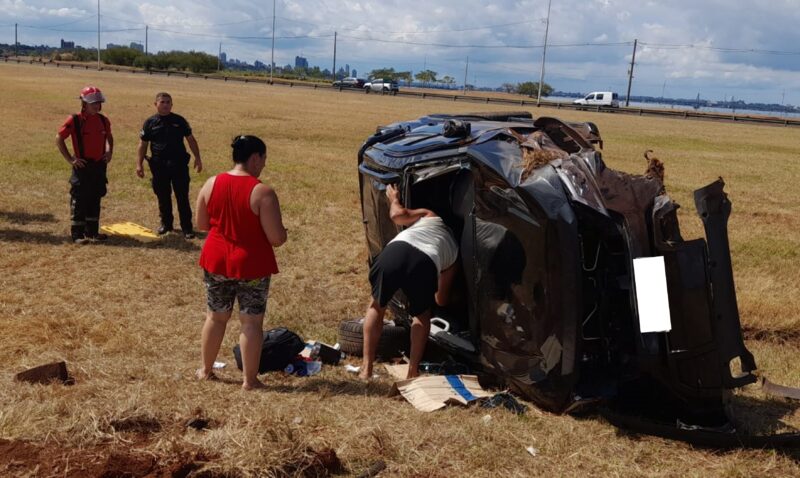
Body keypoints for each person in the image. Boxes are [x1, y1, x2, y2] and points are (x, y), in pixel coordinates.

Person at [195, 135, 287, 390]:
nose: (264, 165)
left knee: (215, 316)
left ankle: (206, 370)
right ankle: (250, 380)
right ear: (255, 158)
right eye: (264, 159)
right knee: (251, 322)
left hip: (216, 260)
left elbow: (202, 224)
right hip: (251, 265)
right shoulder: (262, 192)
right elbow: (276, 238)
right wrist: (284, 232)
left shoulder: (211, 183)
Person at [360, 184, 458, 380]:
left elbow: (398, 215)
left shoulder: (430, 216)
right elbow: (441, 299)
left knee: (376, 306)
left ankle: (366, 369)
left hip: (396, 251)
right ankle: (412, 371)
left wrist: (394, 199)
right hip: (426, 263)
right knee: (421, 316)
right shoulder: (454, 252)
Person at [136, 92, 203, 238]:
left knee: (182, 196)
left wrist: (198, 158)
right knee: (163, 196)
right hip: (159, 165)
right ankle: (166, 225)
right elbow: (143, 144)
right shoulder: (150, 123)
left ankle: (187, 228)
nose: (165, 105)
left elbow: (191, 140)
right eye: (162, 102)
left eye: (168, 102)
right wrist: (139, 164)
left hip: (178, 164)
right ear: (156, 104)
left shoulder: (180, 121)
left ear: (172, 105)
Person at [56, 86, 114, 244]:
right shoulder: (74, 120)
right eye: (93, 103)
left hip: (99, 166)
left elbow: (109, 137)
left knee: (96, 197)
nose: (97, 106)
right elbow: (59, 139)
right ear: (84, 103)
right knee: (80, 198)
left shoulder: (103, 120)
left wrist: (109, 152)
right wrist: (71, 159)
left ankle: (92, 232)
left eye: (99, 103)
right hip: (82, 166)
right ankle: (77, 235)